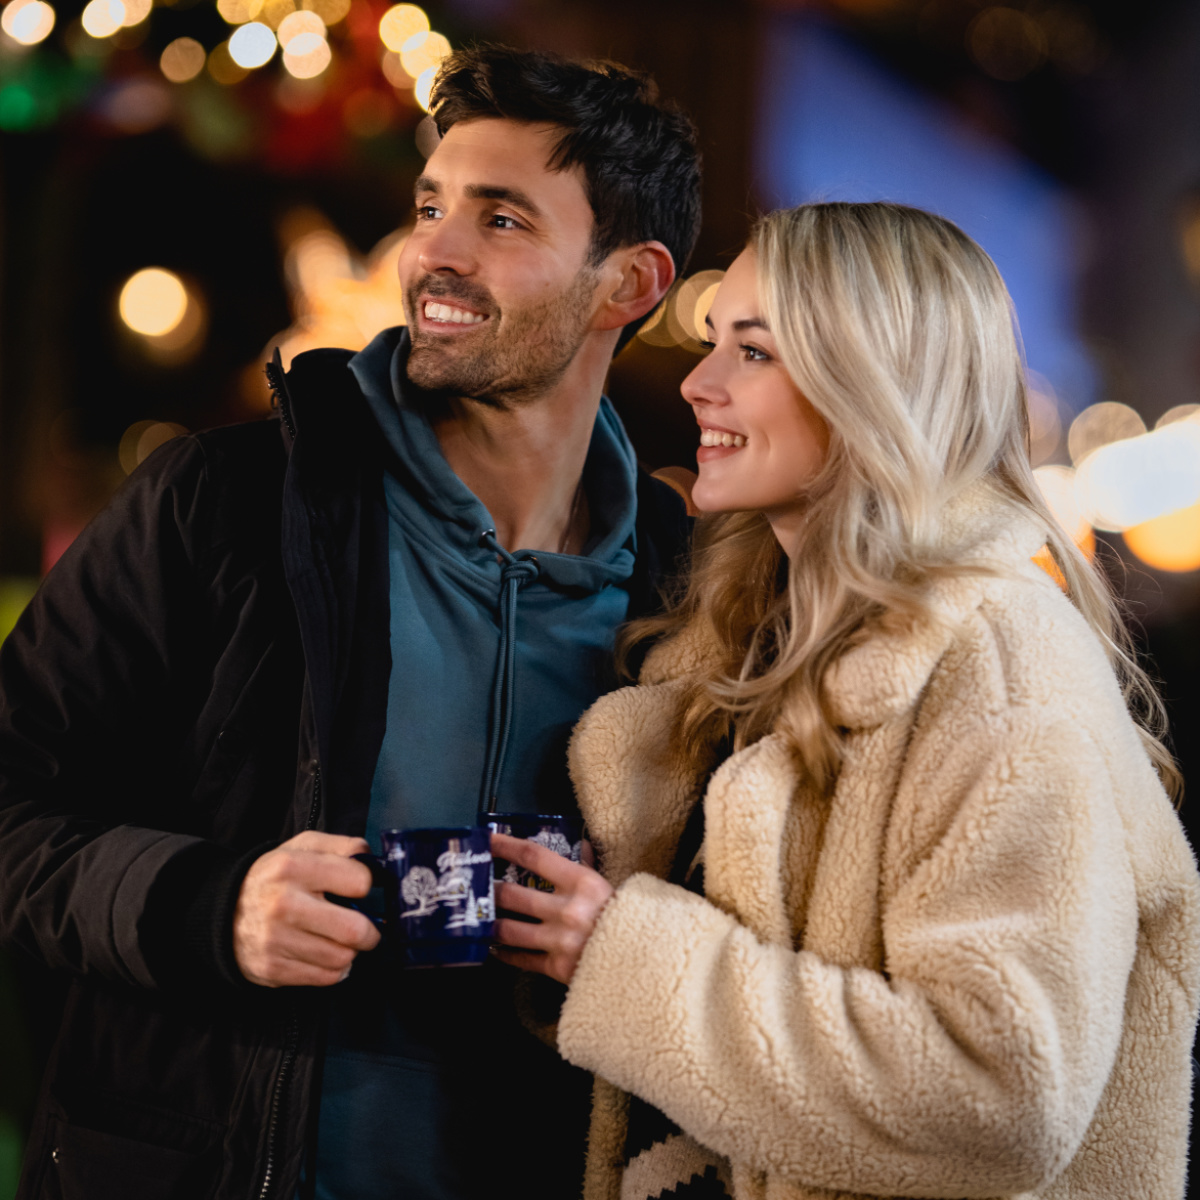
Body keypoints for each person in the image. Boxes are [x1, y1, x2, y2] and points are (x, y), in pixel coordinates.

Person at [0, 47, 701, 1200]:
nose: (435, 251)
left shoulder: (692, 598)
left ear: (628, 285)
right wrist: (210, 909)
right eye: (433, 205)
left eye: (503, 219)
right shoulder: (224, 506)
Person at [489, 202, 1200, 1200]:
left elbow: (1002, 1095)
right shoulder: (743, 653)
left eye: (756, 352)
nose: (699, 383)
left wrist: (626, 959)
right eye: (711, 344)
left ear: (876, 385)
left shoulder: (1001, 664)